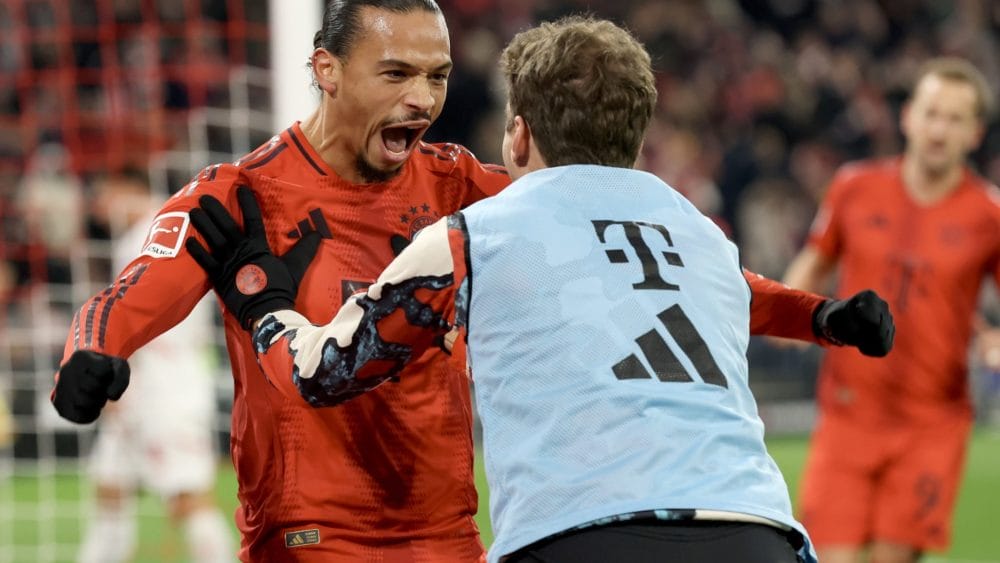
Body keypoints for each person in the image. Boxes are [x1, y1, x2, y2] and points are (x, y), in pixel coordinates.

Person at [49, 1, 885, 561]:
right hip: (308, 533)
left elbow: (649, 268)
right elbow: (133, 294)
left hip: (446, 532)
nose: (423, 99)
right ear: (326, 70)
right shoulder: (241, 196)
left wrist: (818, 316)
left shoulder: (467, 189)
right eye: (397, 75)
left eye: (438, 76)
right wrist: (93, 352)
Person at [782, 56, 999, 563]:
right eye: (931, 112)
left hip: (932, 423)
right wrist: (781, 315)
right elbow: (809, 268)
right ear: (907, 118)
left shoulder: (988, 215)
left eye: (954, 118)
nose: (938, 129)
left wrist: (992, 340)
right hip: (848, 413)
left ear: (975, 132)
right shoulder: (854, 187)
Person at [76, 174, 235, 563]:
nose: (101, 207)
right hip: (143, 384)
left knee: (187, 497)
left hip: (168, 388)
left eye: (105, 194)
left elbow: (136, 318)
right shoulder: (144, 233)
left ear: (129, 188)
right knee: (110, 486)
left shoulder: (154, 232)